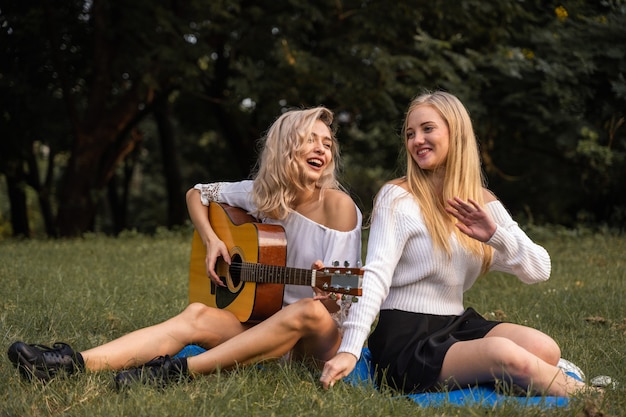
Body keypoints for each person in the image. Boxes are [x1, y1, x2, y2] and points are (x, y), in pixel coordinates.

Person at [8, 106, 362, 388]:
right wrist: (213, 241)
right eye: (311, 140)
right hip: (263, 334)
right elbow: (197, 193)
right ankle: (69, 363)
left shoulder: (337, 207)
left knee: (309, 311)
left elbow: (347, 299)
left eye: (327, 143)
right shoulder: (261, 195)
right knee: (197, 314)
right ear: (285, 147)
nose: (322, 150)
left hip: (314, 345)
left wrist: (329, 296)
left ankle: (177, 371)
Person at [319, 91, 590, 397]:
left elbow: (540, 269)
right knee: (502, 352)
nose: (417, 140)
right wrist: (350, 349)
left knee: (545, 348)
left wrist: (494, 236)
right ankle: (589, 396)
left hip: (457, 325)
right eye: (410, 133)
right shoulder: (398, 198)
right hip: (406, 340)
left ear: (455, 132)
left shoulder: (482, 203)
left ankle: (515, 371)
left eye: (427, 129)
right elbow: (376, 274)